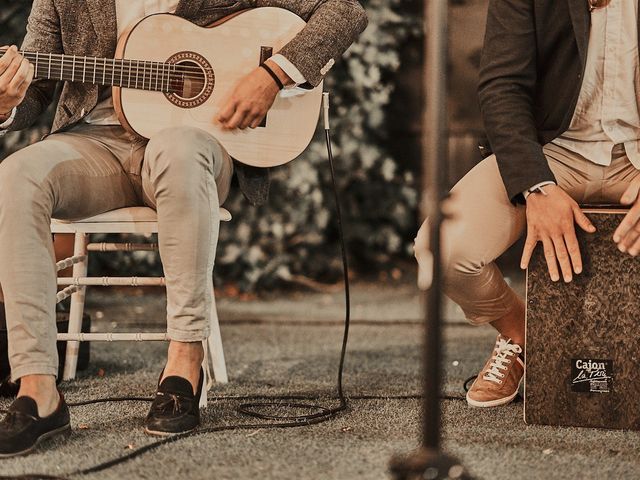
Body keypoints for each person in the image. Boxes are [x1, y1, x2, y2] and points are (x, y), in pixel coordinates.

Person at [0, 0, 367, 456]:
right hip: (93, 142)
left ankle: (183, 363)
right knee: (16, 176)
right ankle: (37, 388)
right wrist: (7, 103)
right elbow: (33, 90)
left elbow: (345, 11)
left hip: (193, 142)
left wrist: (273, 74)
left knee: (178, 149)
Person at [415, 0, 640, 408]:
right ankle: (525, 337)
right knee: (442, 248)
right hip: (553, 151)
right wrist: (536, 185)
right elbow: (503, 85)